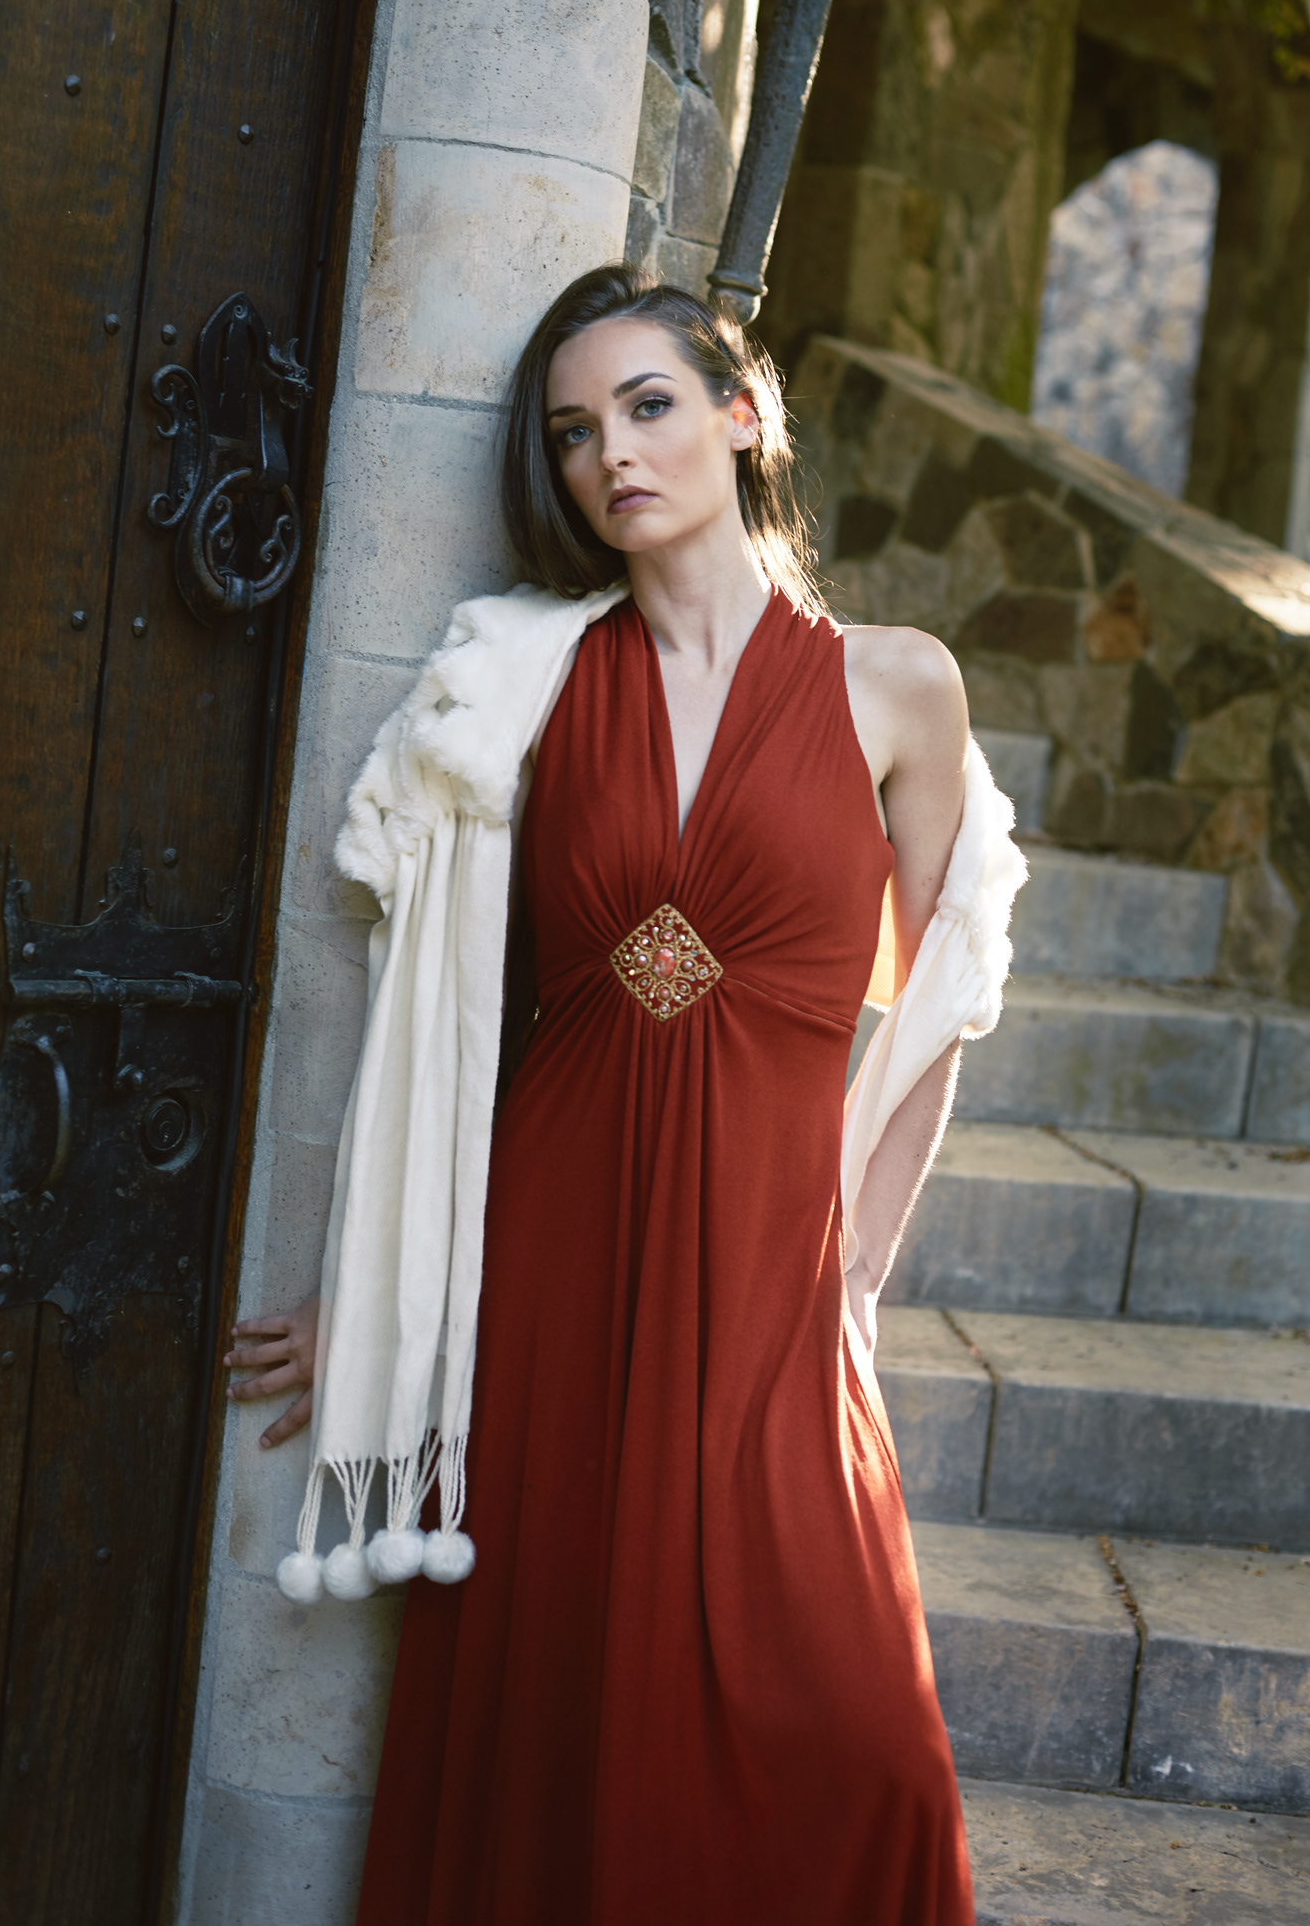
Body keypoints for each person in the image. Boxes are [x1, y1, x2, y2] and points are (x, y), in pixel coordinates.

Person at [223, 265, 1016, 1924]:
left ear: (746, 412)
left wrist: (857, 1277)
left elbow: (939, 1008)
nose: (613, 456)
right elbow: (440, 1020)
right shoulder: (524, 685)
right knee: (564, 1728)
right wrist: (380, 1290)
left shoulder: (897, 686)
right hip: (553, 1259)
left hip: (772, 1267)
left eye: (649, 407)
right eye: (576, 432)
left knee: (864, 1739)